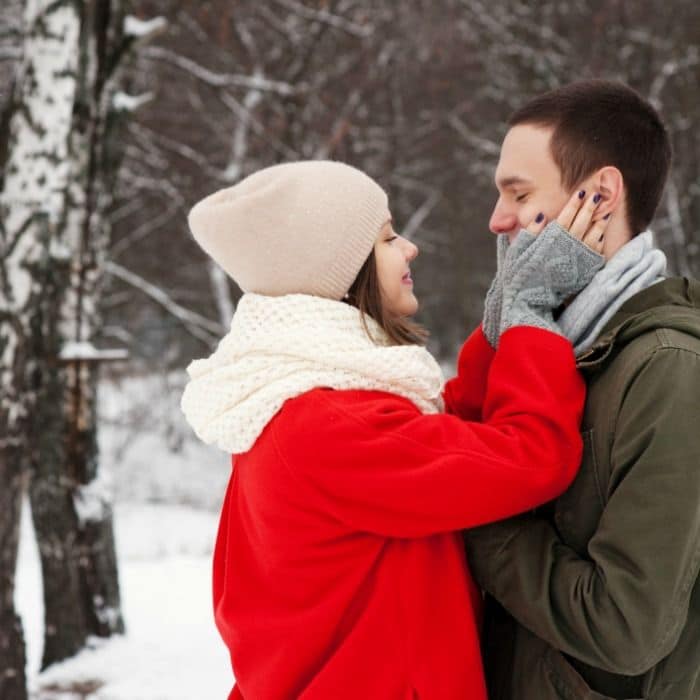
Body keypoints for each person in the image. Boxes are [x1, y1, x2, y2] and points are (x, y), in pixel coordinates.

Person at [180, 160, 605, 699]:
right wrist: (531, 314)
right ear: (338, 272)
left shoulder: (297, 408)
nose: (410, 248)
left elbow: (441, 440)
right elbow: (531, 458)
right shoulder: (333, 427)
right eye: (386, 238)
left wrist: (502, 322)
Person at [465, 79, 700, 700]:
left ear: (599, 196)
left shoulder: (669, 369)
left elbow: (626, 628)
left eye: (518, 194)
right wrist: (511, 321)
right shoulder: (552, 348)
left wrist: (474, 518)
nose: (497, 220)